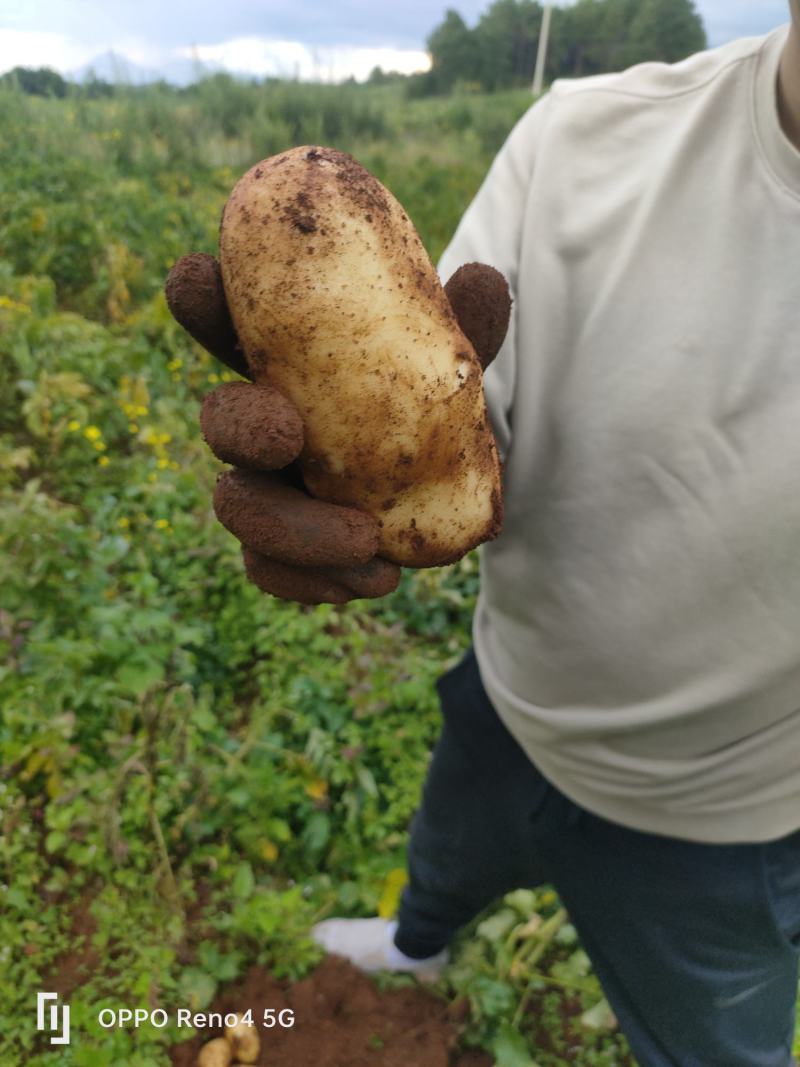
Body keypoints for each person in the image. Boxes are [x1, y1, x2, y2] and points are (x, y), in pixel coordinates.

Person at [166, 10, 800, 1065]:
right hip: (506, 705)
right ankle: (419, 945)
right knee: (441, 866)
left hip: (725, 825)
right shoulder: (582, 137)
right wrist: (349, 478)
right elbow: (455, 400)